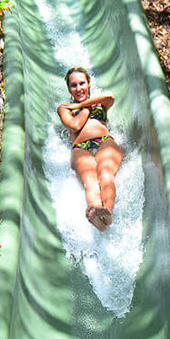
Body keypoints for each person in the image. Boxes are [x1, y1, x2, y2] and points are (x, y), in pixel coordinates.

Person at [57, 66, 123, 231]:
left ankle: (107, 212)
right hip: (81, 147)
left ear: (89, 83)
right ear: (68, 88)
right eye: (74, 85)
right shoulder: (64, 108)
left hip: (104, 141)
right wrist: (86, 107)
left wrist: (84, 103)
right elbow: (76, 124)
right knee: (90, 181)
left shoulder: (101, 104)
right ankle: (95, 213)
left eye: (82, 83)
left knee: (105, 174)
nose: (79, 88)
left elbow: (110, 96)